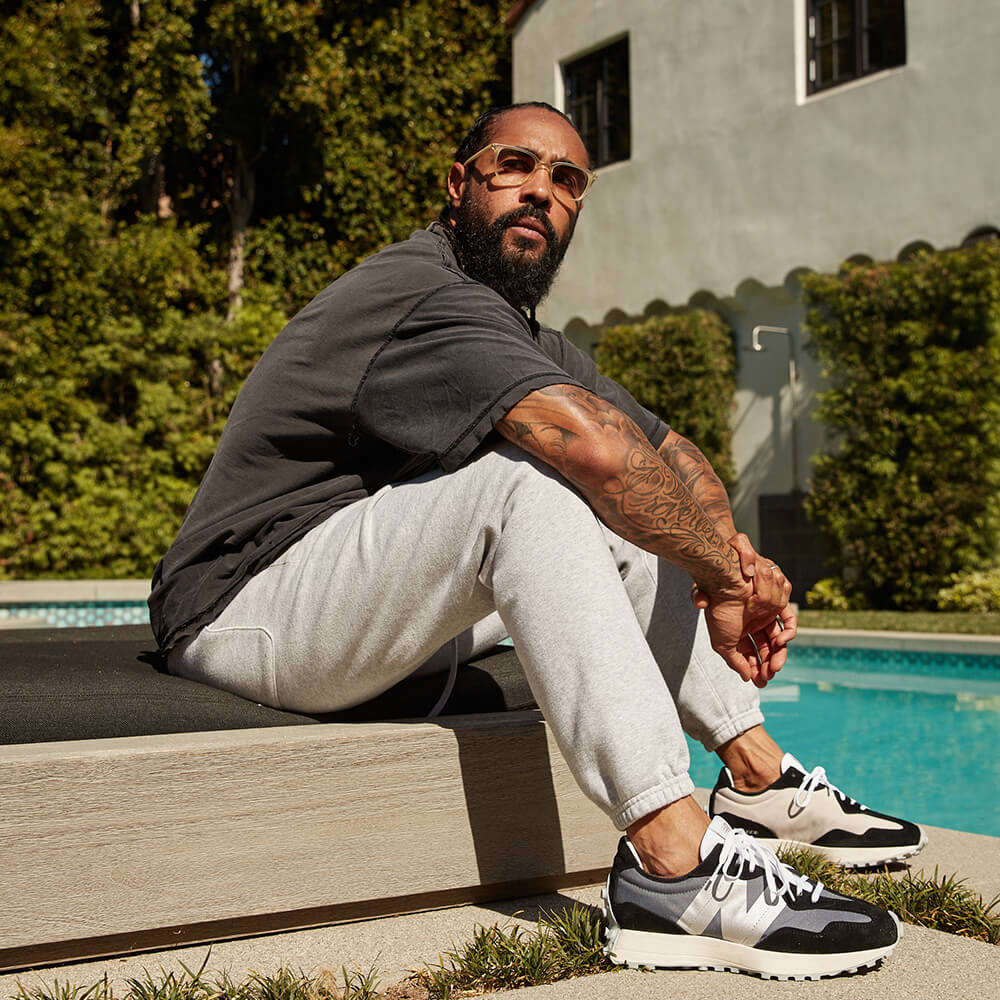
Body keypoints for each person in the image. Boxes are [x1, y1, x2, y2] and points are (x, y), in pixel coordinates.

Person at [150, 102, 924, 980]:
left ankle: (756, 777)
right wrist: (724, 576)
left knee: (626, 499)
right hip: (242, 605)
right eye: (514, 165)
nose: (540, 193)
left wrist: (732, 563)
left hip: (363, 609)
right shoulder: (418, 294)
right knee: (535, 482)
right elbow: (593, 451)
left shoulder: (520, 331)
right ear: (459, 184)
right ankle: (675, 869)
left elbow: (668, 452)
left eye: (566, 182)